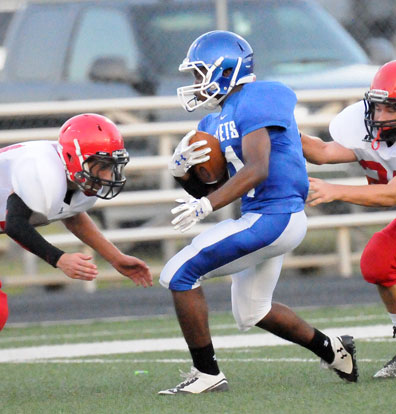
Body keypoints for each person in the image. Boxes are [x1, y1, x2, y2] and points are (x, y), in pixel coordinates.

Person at [157, 30, 358, 395]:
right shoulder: (210, 124)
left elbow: (258, 168)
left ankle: (206, 374)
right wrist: (186, 177)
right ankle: (333, 349)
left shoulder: (259, 96)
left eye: (200, 73)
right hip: (262, 217)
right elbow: (216, 186)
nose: (195, 83)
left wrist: (206, 205)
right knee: (252, 311)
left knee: (178, 273)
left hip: (275, 215)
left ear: (226, 69)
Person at [0, 113, 152, 331]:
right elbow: (15, 224)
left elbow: (72, 215)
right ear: (73, 158)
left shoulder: (73, 175)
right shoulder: (40, 168)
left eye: (112, 166)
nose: (108, 176)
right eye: (102, 166)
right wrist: (59, 259)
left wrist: (115, 258)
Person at [301, 59, 396, 378]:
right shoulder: (375, 131)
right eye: (378, 107)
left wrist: (335, 191)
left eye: (390, 109)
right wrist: (279, 130)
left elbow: (391, 194)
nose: (380, 116)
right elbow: (324, 152)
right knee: (379, 262)